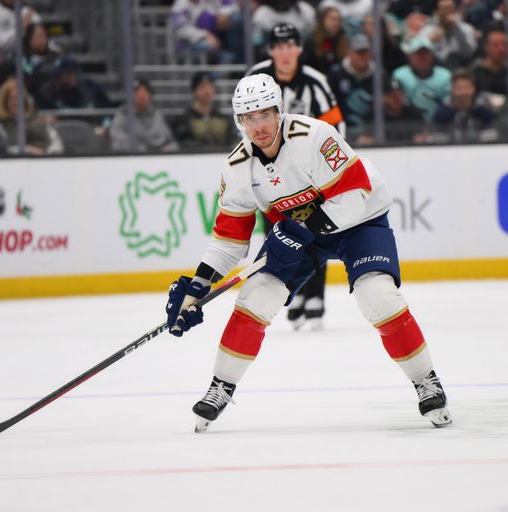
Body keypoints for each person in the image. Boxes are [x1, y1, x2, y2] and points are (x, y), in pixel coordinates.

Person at [164, 73, 452, 433]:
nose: (258, 126)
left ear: (279, 110)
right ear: (239, 121)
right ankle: (220, 386)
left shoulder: (314, 136)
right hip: (300, 233)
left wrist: (303, 229)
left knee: (377, 294)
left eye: (264, 114)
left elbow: (354, 193)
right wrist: (199, 284)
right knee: (255, 297)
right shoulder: (237, 168)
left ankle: (426, 380)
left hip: (359, 221)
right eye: (248, 118)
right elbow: (229, 240)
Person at [248, 22, 346, 330]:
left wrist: (325, 170)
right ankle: (294, 291)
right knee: (277, 237)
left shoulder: (315, 82)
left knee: (315, 232)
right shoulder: (255, 79)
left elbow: (336, 127)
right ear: (271, 51)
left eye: (290, 45)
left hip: (308, 176)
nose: (285, 52)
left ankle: (315, 295)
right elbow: (244, 125)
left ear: (300, 48)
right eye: (279, 46)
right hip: (271, 176)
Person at [0, 77, 63, 155]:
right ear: (5, 101)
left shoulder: (39, 120)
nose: (16, 102)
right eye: (12, 99)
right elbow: (2, 148)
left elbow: (56, 143)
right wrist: (27, 150)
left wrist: (47, 155)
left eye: (19, 98)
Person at [392, 35, 452, 122]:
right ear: (410, 57)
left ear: (432, 56)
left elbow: (449, 105)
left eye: (426, 54)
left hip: (439, 126)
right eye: (418, 54)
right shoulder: (399, 75)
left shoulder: (445, 76)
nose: (422, 58)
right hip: (408, 126)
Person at [109, 79, 178, 153]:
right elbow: (116, 141)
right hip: (130, 159)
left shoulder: (156, 115)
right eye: (137, 92)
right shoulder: (123, 114)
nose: (141, 96)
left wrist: (165, 149)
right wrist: (139, 147)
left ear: (150, 96)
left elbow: (170, 141)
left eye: (145, 92)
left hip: (154, 158)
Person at [171, 71, 238, 148]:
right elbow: (182, 143)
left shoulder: (223, 119)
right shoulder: (184, 120)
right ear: (194, 90)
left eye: (210, 86)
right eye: (202, 87)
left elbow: (233, 140)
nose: (207, 91)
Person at [431, 68, 498, 143]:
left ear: (473, 89)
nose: (463, 92)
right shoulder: (442, 114)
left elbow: (490, 142)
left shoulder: (485, 113)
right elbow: (439, 144)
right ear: (452, 90)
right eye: (459, 88)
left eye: (467, 88)